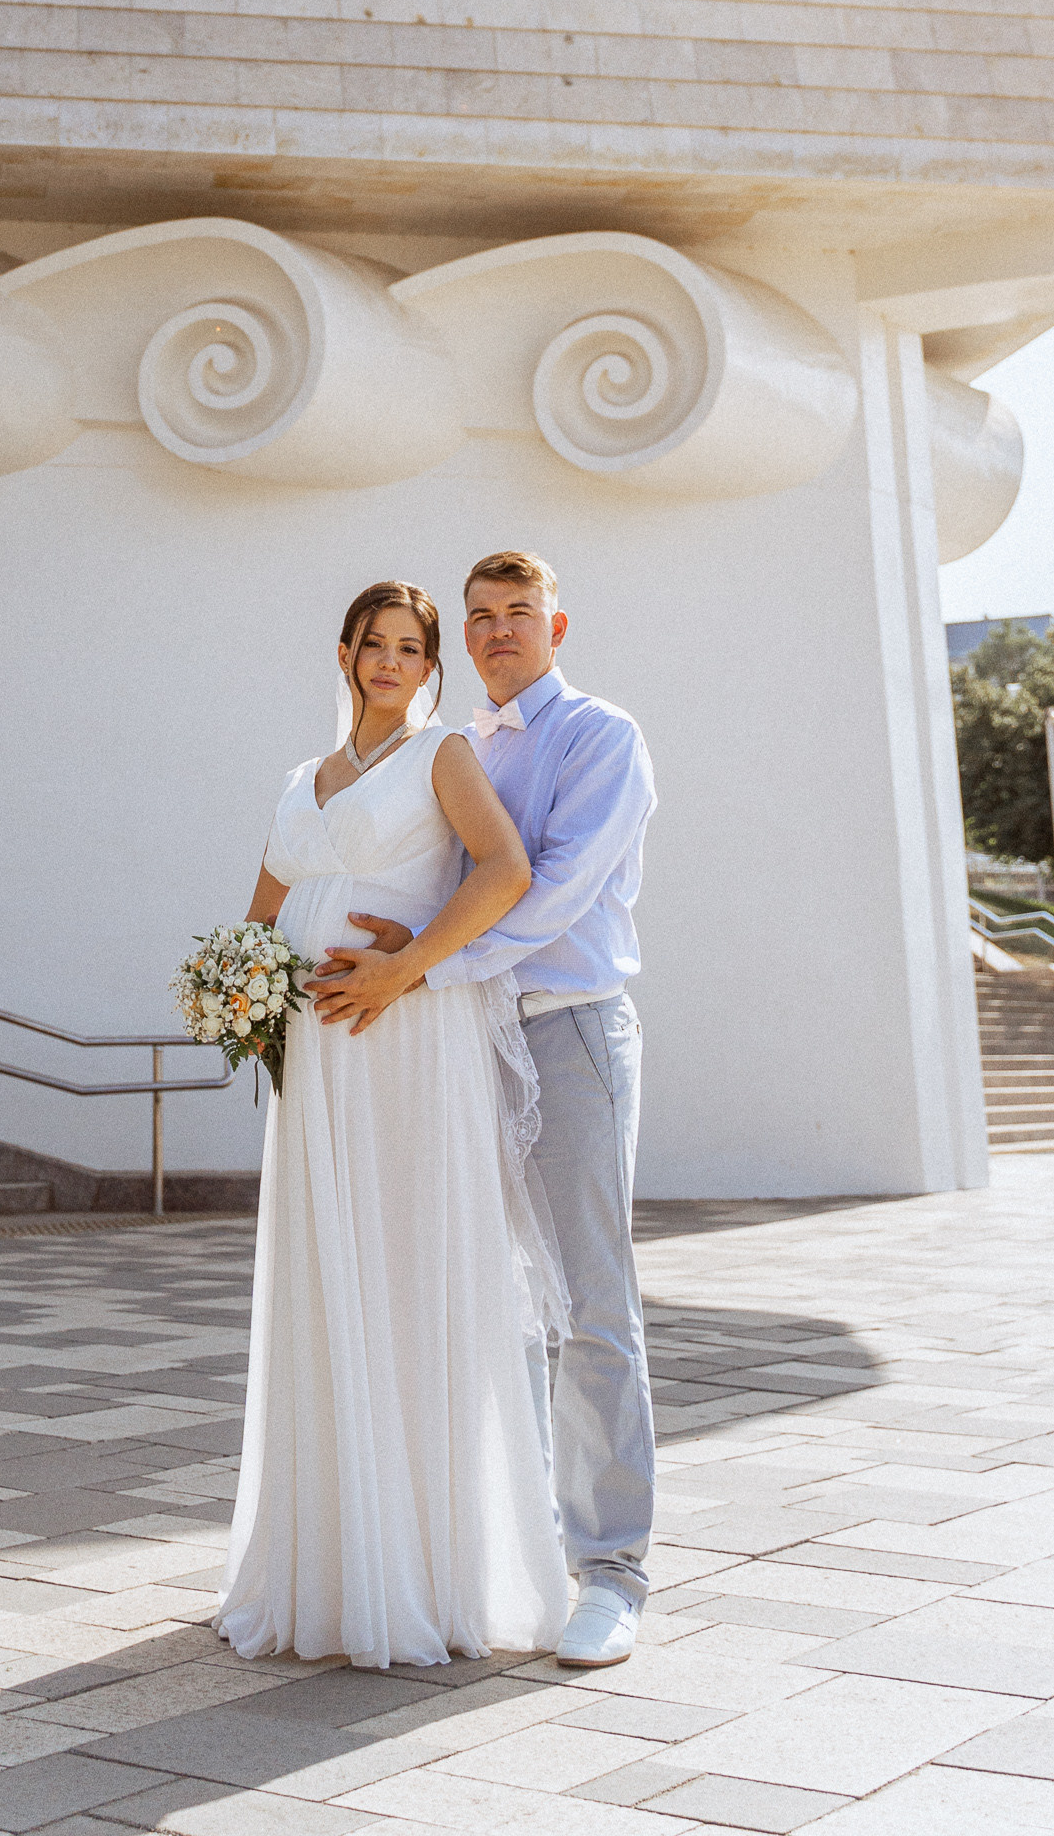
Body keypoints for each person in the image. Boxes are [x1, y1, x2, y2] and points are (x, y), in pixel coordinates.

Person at [311, 550, 657, 1671]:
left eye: (518, 613)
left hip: (561, 1031)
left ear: (558, 621)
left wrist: (418, 970)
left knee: (589, 1298)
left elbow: (544, 887)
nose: (497, 631)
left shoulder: (599, 735)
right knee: (487, 1296)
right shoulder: (461, 744)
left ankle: (611, 1571)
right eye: (479, 618)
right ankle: (509, 1547)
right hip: (457, 1044)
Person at [216, 579, 571, 1669]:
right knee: (328, 1277)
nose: (387, 661)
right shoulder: (299, 780)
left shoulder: (441, 761)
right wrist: (233, 990)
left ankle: (422, 1566)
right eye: (371, 643)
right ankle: (323, 1563)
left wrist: (405, 965)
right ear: (341, 654)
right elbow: (262, 918)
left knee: (405, 1272)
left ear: (429, 669)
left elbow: (507, 870)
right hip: (317, 1065)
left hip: (406, 1044)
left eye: (409, 648)